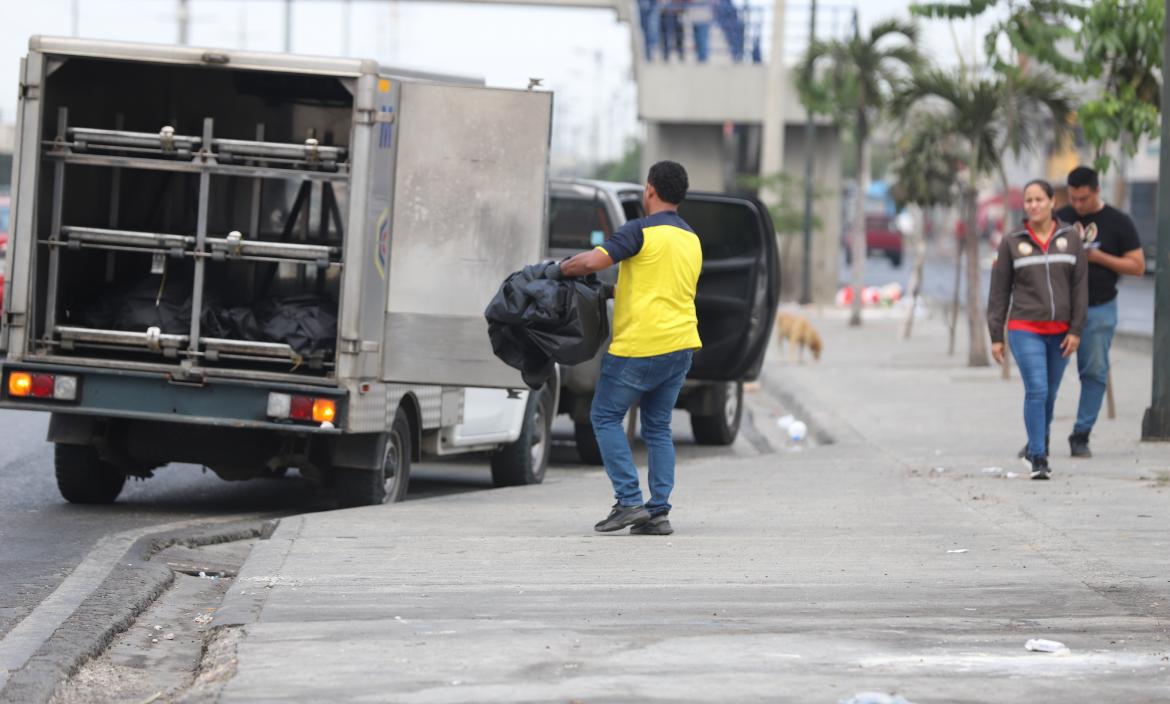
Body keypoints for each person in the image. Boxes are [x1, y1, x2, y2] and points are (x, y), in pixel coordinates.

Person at [558, 161, 702, 534]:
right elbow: (660, 287)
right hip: (682, 345)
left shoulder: (639, 231)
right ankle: (658, 513)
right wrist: (611, 291)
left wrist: (558, 270)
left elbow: (594, 260)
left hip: (640, 345)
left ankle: (628, 501)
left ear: (650, 189)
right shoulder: (690, 239)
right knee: (658, 428)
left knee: (604, 417)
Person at [987, 179, 1087, 480]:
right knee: (1037, 389)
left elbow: (1080, 287)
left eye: (1039, 200)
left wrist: (1076, 329)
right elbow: (999, 291)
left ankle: (1037, 442)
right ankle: (1039, 456)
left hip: (1061, 331)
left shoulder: (1070, 239)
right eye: (1028, 200)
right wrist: (996, 335)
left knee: (1050, 394)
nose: (1033, 205)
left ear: (1051, 201)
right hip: (1024, 327)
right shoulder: (1012, 241)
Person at [1054, 166, 1146, 458]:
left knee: (1094, 372)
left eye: (1084, 199)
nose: (1079, 206)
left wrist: (1097, 256)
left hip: (1099, 306)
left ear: (1096, 191)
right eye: (1074, 199)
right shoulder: (1061, 218)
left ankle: (1081, 434)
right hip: (1059, 309)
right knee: (1045, 374)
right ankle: (1037, 435)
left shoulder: (1118, 222)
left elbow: (1137, 266)